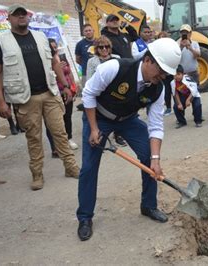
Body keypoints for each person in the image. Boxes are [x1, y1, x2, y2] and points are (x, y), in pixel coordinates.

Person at [76, 38, 181, 241]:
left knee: (149, 157)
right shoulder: (115, 68)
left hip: (128, 120)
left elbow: (156, 125)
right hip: (98, 117)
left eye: (166, 73)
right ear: (148, 60)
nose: (162, 76)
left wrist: (156, 159)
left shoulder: (158, 88)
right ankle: (84, 217)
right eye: (161, 70)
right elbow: (88, 94)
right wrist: (94, 129)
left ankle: (148, 206)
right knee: (89, 167)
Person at [0, 4, 80, 191]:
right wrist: (1, 101)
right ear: (9, 19)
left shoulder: (41, 37)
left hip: (49, 94)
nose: (21, 17)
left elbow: (55, 63)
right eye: (16, 15)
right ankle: (37, 175)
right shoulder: (0, 41)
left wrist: (64, 86)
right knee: (34, 138)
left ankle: (71, 167)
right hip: (25, 99)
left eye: (24, 14)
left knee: (60, 133)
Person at [101, 14, 139, 146]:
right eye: (112, 20)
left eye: (116, 20)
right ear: (107, 23)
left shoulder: (123, 35)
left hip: (130, 69)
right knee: (118, 98)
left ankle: (126, 127)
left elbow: (135, 36)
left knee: (130, 97)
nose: (115, 22)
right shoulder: (106, 37)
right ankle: (117, 133)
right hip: (117, 71)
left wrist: (127, 26)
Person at [45, 39, 79, 157]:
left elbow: (69, 73)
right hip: (53, 93)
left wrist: (73, 88)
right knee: (52, 120)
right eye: (51, 47)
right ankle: (55, 147)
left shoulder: (63, 57)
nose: (54, 49)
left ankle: (68, 139)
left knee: (67, 116)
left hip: (67, 91)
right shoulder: (45, 61)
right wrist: (55, 68)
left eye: (55, 47)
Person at [157, 31, 174, 116]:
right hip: (163, 74)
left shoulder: (171, 47)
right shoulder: (157, 50)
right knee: (166, 91)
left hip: (172, 72)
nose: (161, 39)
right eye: (160, 38)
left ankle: (177, 106)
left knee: (174, 90)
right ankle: (168, 108)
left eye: (163, 37)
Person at [75, 23, 95, 89]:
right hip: (85, 73)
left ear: (93, 30)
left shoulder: (99, 42)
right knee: (86, 92)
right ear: (83, 33)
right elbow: (77, 60)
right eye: (86, 31)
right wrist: (86, 65)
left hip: (98, 72)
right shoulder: (79, 44)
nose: (88, 32)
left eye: (89, 30)